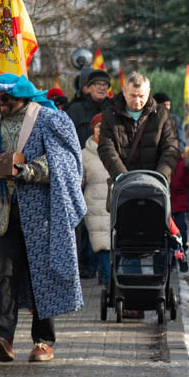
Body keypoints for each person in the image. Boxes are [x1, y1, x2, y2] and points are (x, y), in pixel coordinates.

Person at [0, 74, 85, 363]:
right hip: (1, 213)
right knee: (3, 274)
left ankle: (44, 341)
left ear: (22, 96)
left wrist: (27, 170)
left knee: (40, 273)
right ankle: (2, 338)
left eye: (5, 99)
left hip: (40, 214)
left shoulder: (48, 120)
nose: (0, 104)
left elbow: (64, 161)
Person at [97, 72, 180, 185]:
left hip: (156, 185)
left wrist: (161, 176)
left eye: (141, 96)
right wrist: (122, 177)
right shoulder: (110, 115)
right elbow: (106, 149)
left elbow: (171, 148)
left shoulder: (162, 114)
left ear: (149, 92)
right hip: (122, 185)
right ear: (124, 91)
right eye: (133, 96)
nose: (137, 101)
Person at [82, 113, 112, 284]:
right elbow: (79, 182)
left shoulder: (118, 151)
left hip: (115, 204)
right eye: (98, 126)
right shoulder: (83, 155)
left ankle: (108, 278)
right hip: (94, 206)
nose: (101, 130)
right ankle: (108, 282)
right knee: (102, 245)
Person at [66, 67, 113, 145]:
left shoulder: (115, 109)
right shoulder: (75, 110)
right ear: (89, 87)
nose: (102, 88)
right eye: (98, 84)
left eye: (105, 84)